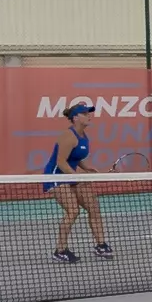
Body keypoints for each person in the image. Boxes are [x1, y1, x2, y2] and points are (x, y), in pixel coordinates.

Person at [44, 102, 113, 263]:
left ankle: (100, 245)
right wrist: (76, 176)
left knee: (93, 207)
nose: (89, 115)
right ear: (75, 118)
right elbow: (61, 162)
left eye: (89, 113)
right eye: (85, 113)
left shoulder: (84, 136)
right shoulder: (68, 136)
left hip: (71, 175)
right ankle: (60, 250)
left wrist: (86, 168)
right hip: (56, 177)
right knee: (73, 211)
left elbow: (75, 158)